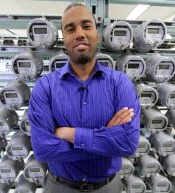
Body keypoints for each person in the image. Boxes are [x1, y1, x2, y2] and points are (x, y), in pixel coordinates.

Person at [28, 3, 140, 193]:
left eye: (86, 26)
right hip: (60, 186)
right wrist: (105, 139)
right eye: (71, 29)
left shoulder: (120, 84)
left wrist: (68, 134)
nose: (80, 33)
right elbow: (43, 150)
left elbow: (127, 144)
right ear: (64, 38)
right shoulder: (44, 87)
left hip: (108, 186)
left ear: (96, 33)